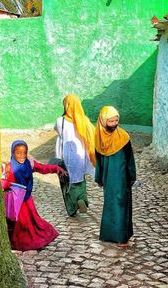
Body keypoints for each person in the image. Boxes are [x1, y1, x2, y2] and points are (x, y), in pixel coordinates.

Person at [1, 139, 67, 251]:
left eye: (24, 152)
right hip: (16, 202)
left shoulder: (29, 164)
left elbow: (43, 168)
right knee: (19, 224)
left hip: (27, 199)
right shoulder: (8, 167)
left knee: (33, 220)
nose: (22, 156)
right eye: (18, 153)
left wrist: (56, 168)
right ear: (13, 153)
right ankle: (20, 243)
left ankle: (35, 241)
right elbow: (3, 183)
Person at [95, 106, 136, 247]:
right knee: (110, 205)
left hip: (121, 178)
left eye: (116, 121)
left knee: (121, 205)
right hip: (108, 178)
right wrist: (99, 177)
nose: (114, 124)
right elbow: (98, 160)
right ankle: (110, 235)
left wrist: (131, 175)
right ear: (103, 121)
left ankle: (122, 238)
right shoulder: (99, 138)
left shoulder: (123, 137)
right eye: (111, 121)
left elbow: (130, 158)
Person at [53, 94, 96, 216]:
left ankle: (72, 208)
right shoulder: (84, 121)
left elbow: (56, 130)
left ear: (66, 105)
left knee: (66, 180)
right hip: (80, 155)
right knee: (80, 179)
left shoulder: (60, 121)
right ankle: (82, 198)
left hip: (65, 156)